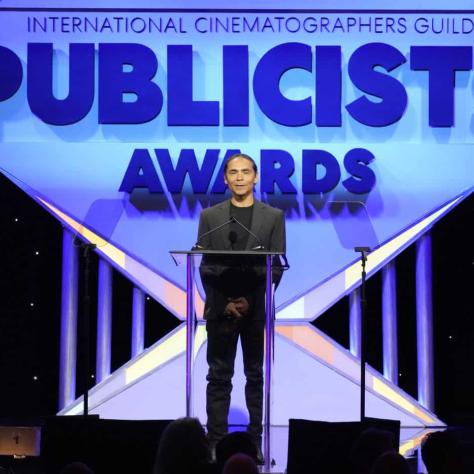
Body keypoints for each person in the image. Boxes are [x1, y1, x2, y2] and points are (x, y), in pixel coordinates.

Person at [196, 153, 286, 462]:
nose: (239, 177)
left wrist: (249, 301)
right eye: (233, 172)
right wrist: (225, 303)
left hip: (254, 309)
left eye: (245, 172)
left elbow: (276, 267)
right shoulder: (210, 217)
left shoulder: (273, 217)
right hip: (221, 309)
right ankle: (215, 443)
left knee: (254, 376)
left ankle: (254, 442)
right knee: (218, 377)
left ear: (256, 176)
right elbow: (205, 266)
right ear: (225, 178)